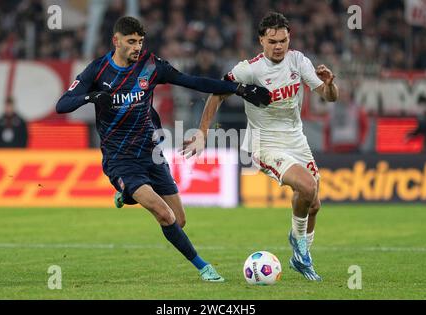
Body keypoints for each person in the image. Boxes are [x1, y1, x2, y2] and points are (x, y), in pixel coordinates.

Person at [55, 16, 271, 282]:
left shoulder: (150, 66)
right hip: (120, 159)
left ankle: (127, 195)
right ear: (116, 41)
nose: (137, 47)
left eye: (140, 41)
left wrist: (239, 88)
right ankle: (204, 267)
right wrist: (91, 96)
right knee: (163, 213)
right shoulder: (98, 71)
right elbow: (62, 105)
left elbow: (194, 82)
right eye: (131, 42)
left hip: (151, 155)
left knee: (178, 221)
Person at [181, 12, 339, 281]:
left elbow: (329, 98)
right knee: (307, 187)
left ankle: (301, 257)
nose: (279, 46)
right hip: (266, 143)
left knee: (313, 205)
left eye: (283, 40)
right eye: (273, 41)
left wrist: (329, 84)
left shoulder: (298, 61)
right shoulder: (250, 69)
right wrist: (202, 132)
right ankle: (299, 247)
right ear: (261, 41)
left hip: (296, 139)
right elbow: (218, 92)